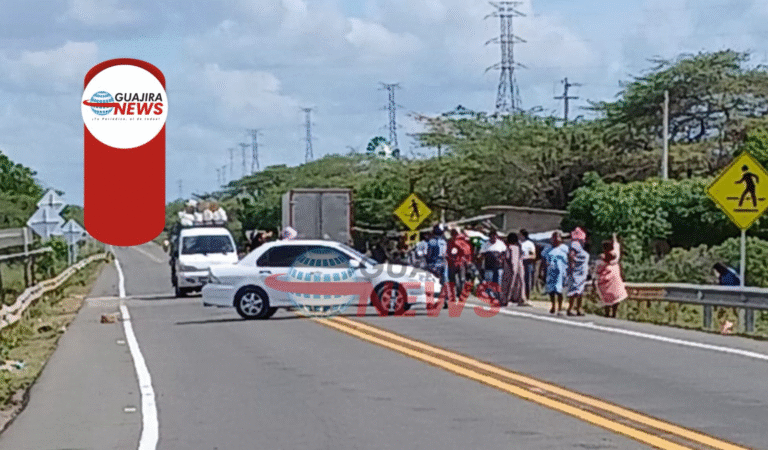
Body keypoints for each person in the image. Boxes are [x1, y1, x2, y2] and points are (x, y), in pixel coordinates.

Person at [595, 233, 628, 318]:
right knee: (615, 295)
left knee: (607, 296)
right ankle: (613, 313)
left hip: (606, 280)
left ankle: (607, 312)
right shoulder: (615, 257)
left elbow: (597, 269)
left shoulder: (602, 258)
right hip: (614, 279)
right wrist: (614, 238)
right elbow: (617, 248)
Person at [541, 231, 569, 315]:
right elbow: (543, 260)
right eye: (554, 237)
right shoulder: (547, 248)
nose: (556, 239)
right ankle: (553, 306)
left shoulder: (564, 248)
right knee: (551, 290)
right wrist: (542, 270)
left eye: (558, 237)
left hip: (561, 272)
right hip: (551, 272)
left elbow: (569, 260)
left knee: (559, 290)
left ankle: (560, 307)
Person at [566, 227, 590, 316]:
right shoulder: (575, 244)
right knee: (574, 290)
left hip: (582, 272)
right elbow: (571, 255)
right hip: (576, 271)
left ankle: (579, 308)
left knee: (580, 291)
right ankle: (571, 308)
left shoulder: (581, 246)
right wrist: (572, 265)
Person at [479, 230, 507, 304]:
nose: (493, 237)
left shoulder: (501, 243)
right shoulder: (485, 244)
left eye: (494, 235)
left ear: (496, 236)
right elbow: (482, 254)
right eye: (491, 236)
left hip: (498, 267)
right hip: (489, 266)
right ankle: (490, 295)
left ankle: (498, 296)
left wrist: (501, 259)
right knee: (489, 281)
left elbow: (504, 253)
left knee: (498, 282)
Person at [501, 233, 529, 306]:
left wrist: (512, 268)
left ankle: (505, 299)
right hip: (519, 268)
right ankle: (520, 298)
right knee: (520, 283)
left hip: (510, 268)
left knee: (508, 283)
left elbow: (509, 258)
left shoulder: (510, 248)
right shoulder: (518, 248)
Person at [426, 225, 448, 307]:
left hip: (433, 263)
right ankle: (445, 300)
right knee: (444, 282)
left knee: (431, 282)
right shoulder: (444, 242)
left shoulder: (431, 242)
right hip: (443, 263)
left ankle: (430, 300)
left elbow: (429, 254)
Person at [447, 228, 472, 299]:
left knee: (462, 279)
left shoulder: (461, 241)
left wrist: (467, 260)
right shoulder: (450, 241)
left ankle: (461, 292)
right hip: (452, 262)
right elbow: (447, 251)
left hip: (460, 262)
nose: (453, 235)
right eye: (452, 234)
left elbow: (467, 251)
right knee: (453, 279)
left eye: (454, 233)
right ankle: (457, 292)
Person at [519, 229, 536, 299]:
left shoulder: (529, 244)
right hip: (519, 263)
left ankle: (527, 296)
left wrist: (525, 257)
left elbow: (533, 255)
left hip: (527, 263)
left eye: (520, 235)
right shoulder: (518, 243)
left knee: (527, 280)